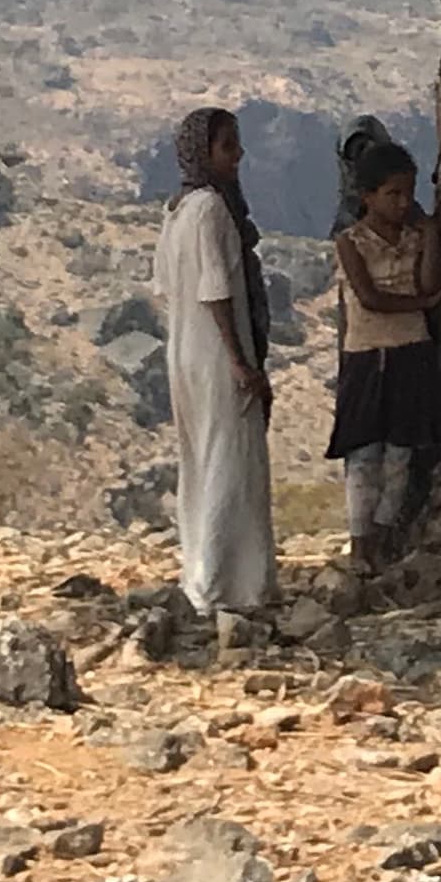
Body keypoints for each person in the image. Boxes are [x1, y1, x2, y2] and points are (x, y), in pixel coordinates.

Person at [154, 105, 276, 630]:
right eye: (228, 145)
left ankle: (207, 572)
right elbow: (217, 291)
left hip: (184, 352)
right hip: (215, 354)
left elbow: (163, 289)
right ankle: (225, 581)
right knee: (230, 458)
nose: (239, 155)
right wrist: (240, 360)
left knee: (201, 460)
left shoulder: (177, 210)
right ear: (205, 153)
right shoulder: (208, 210)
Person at [327, 125, 441, 570]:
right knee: (364, 457)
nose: (402, 204)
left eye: (407, 195)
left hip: (410, 351)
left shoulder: (416, 239)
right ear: (367, 196)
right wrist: (421, 304)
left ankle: (381, 536)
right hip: (367, 355)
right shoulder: (350, 242)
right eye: (392, 194)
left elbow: (430, 280)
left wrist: (432, 234)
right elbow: (371, 298)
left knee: (401, 454)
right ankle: (360, 542)